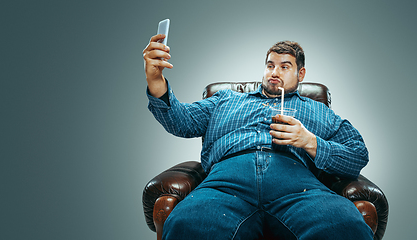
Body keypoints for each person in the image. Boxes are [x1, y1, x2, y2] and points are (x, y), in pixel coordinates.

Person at [142, 34, 374, 240]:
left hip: (298, 187)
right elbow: (182, 121)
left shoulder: (318, 111)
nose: (274, 72)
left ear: (300, 73)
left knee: (346, 227)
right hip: (226, 184)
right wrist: (156, 82)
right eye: (270, 65)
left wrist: (310, 142)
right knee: (187, 226)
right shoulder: (226, 99)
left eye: (285, 67)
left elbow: (357, 154)